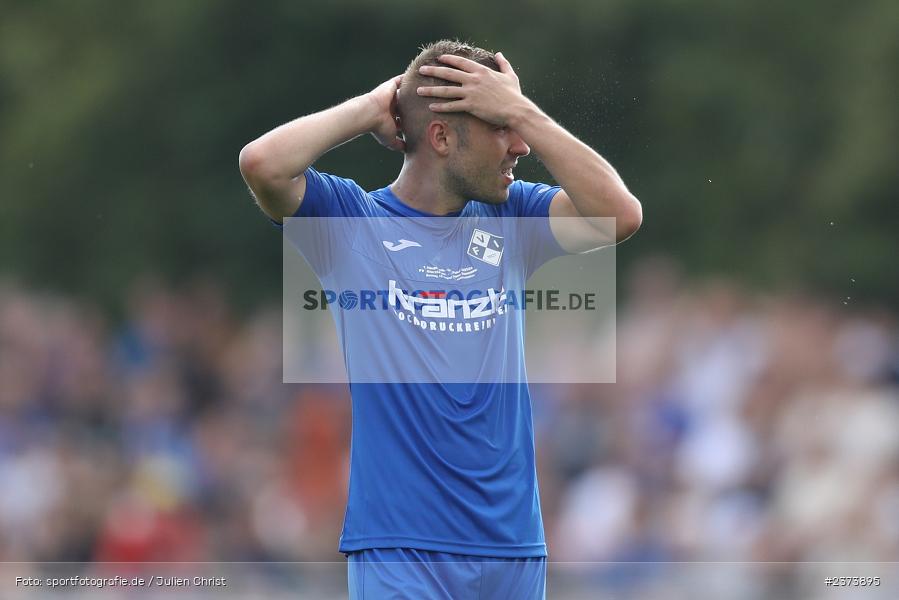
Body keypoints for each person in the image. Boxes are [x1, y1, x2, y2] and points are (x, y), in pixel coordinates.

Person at [239, 40, 641, 600]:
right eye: (500, 127)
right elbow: (263, 164)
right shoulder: (353, 224)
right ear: (443, 138)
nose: (521, 146)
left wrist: (522, 109)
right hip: (402, 550)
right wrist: (373, 106)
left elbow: (619, 214)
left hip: (512, 549)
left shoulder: (512, 215)